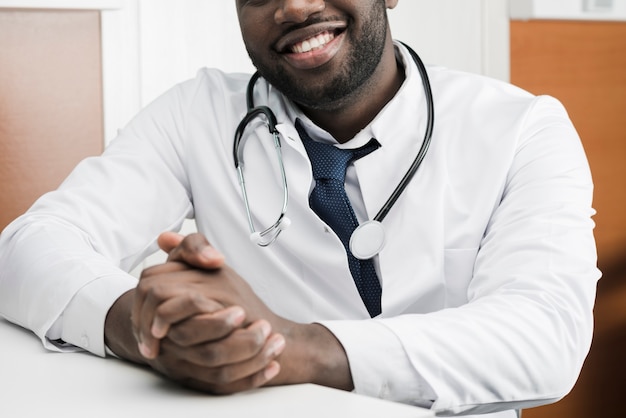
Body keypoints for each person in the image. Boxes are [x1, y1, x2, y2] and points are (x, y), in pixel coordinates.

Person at [0, 1, 600, 417]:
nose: (291, 7)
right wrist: (151, 328)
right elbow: (29, 246)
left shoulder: (521, 128)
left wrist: (293, 348)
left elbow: (545, 334)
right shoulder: (195, 115)